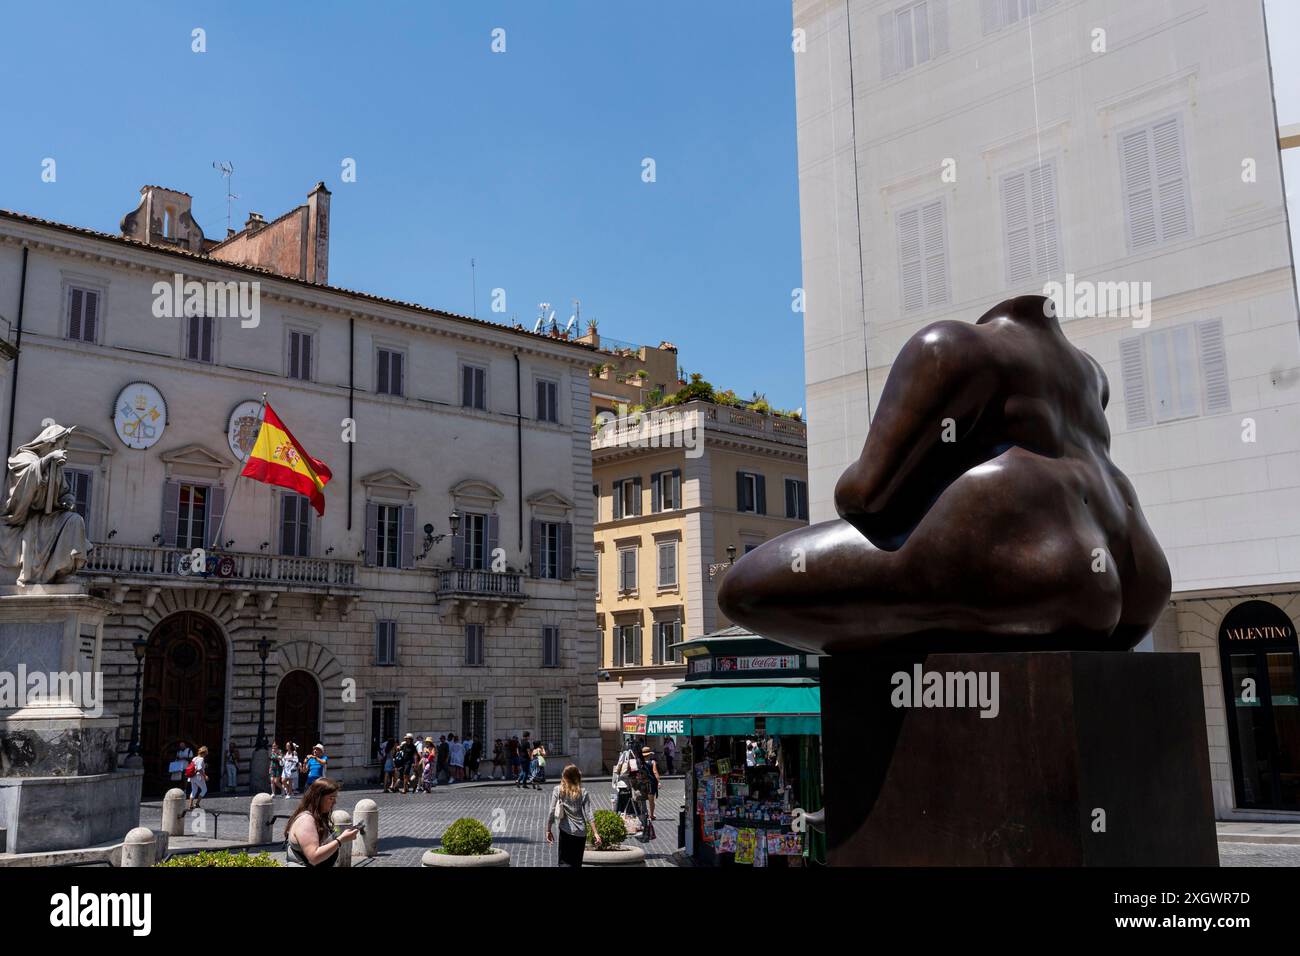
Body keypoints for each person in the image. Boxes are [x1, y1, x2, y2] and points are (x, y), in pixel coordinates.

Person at [285, 778, 359, 867]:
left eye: (335, 798)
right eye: (331, 798)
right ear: (318, 798)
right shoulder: (306, 820)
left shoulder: (318, 816)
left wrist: (339, 833)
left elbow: (324, 839)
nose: (335, 802)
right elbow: (314, 857)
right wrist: (340, 840)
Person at [545, 765, 601, 867]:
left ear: (565, 777)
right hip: (581, 832)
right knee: (577, 863)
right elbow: (589, 814)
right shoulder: (583, 792)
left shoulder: (558, 790)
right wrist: (596, 833)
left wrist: (548, 829)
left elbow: (551, 811)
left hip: (566, 830)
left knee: (564, 862)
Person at [640, 746, 661, 820]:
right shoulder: (652, 762)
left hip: (642, 782)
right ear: (649, 754)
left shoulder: (640, 763)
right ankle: (651, 815)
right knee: (651, 800)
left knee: (642, 799)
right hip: (651, 783)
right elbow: (655, 772)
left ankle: (642, 813)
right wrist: (658, 782)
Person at [186, 745, 209, 810]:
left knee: (194, 790)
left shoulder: (194, 758)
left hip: (192, 776)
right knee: (204, 790)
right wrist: (205, 776)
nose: (206, 755)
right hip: (198, 776)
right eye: (206, 753)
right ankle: (197, 804)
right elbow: (199, 769)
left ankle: (190, 805)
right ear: (204, 753)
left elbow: (194, 766)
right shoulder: (201, 759)